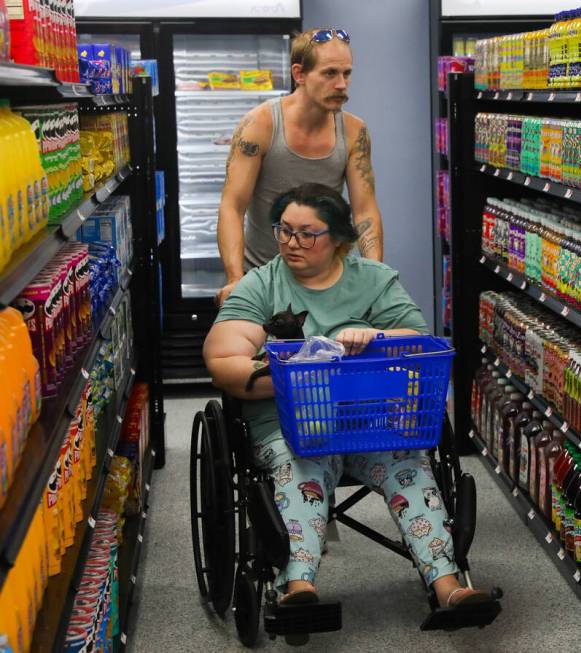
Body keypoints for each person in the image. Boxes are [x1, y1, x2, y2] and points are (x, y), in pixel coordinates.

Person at [203, 183, 486, 610]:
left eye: (307, 233)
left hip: (372, 425)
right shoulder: (261, 285)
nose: (291, 243)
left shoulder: (374, 282)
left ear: (338, 238)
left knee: (409, 465)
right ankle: (299, 589)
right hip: (290, 429)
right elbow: (223, 358)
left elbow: (416, 340)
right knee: (300, 472)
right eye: (283, 230)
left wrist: (376, 338)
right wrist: (292, 375)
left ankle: (448, 585)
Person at [215, 27, 383, 307]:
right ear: (299, 74)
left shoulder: (355, 131)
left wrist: (375, 275)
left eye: (347, 73)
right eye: (330, 73)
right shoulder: (260, 125)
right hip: (262, 277)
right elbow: (232, 206)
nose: (342, 84)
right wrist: (235, 279)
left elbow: (364, 210)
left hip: (328, 279)